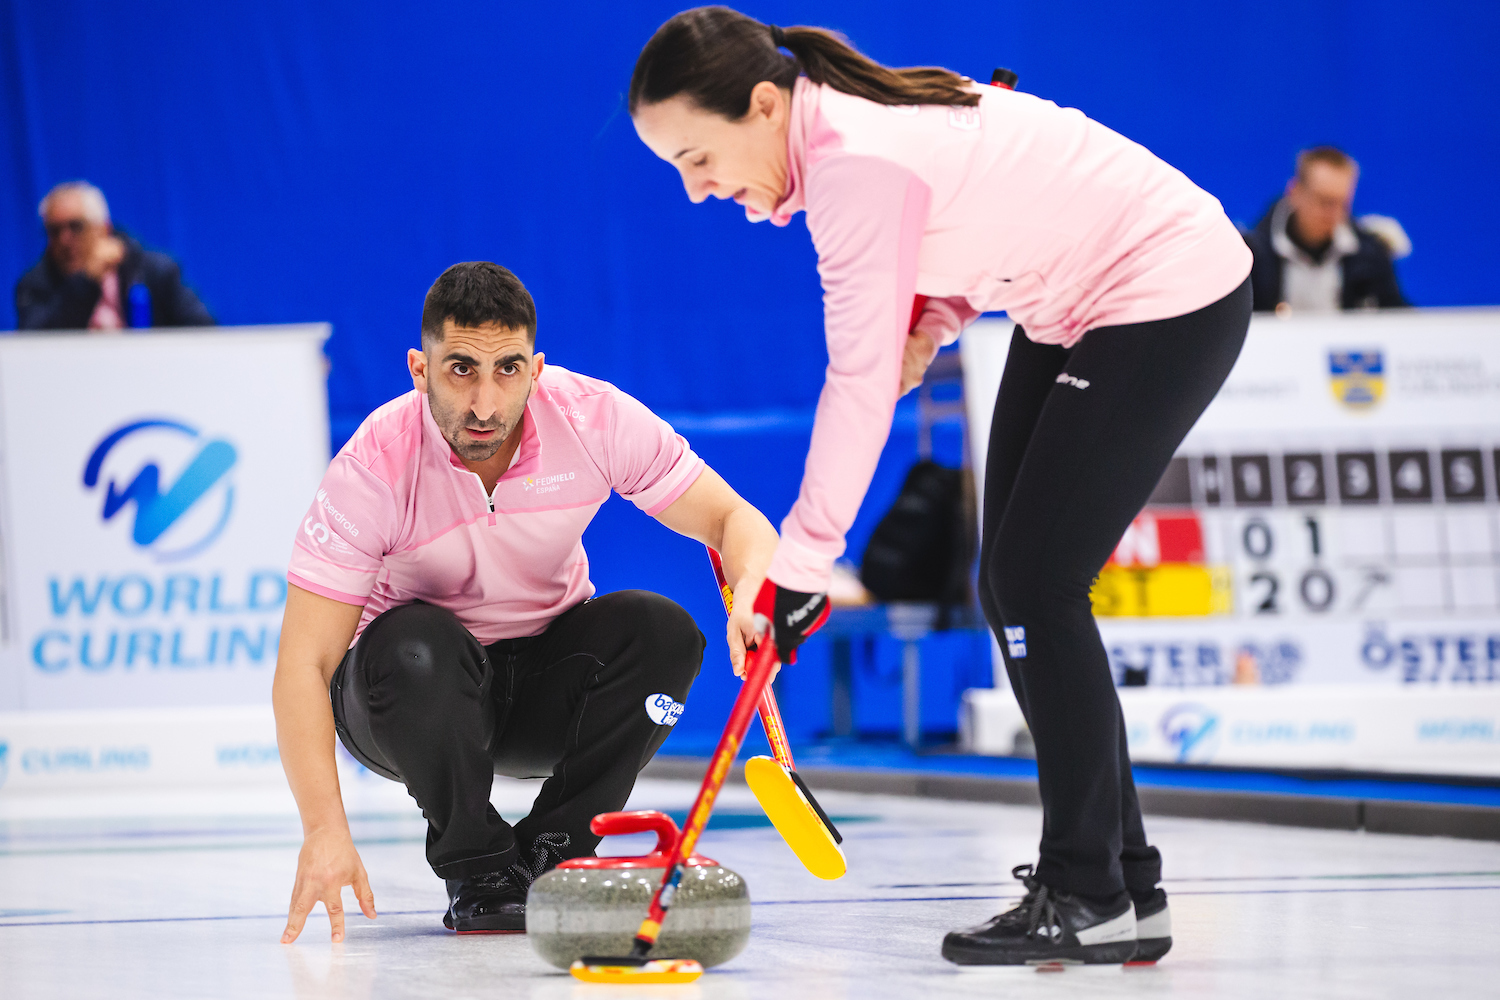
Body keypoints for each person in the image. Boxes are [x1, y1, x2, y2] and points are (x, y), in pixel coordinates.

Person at [630, 8, 1253, 966]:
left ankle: (1086, 888)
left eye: (697, 157)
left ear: (761, 106)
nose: (697, 189)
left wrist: (797, 567)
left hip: (1164, 290)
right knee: (1015, 586)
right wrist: (933, 319)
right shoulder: (840, 124)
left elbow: (857, 381)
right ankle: (1125, 886)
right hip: (1073, 305)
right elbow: (986, 219)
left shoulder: (850, 162)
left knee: (1038, 587)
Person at [273, 261, 777, 941]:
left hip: (543, 690)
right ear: (419, 369)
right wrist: (324, 830)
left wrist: (755, 591)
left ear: (536, 370)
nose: (484, 404)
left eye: (507, 369)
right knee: (415, 643)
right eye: (460, 371)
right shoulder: (375, 464)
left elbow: (733, 521)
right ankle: (478, 870)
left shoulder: (592, 418)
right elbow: (305, 663)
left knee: (666, 634)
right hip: (412, 703)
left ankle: (553, 857)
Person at [14, 181, 215, 331]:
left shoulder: (153, 271)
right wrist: (86, 281)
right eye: (54, 230)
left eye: (76, 227)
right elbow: (36, 345)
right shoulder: (35, 284)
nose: (65, 240)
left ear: (103, 229)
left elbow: (203, 331)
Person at [1243, 146, 1407, 313]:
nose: (1332, 213)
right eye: (1323, 201)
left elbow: (1400, 321)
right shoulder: (1253, 255)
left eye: (1341, 204)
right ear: (1295, 192)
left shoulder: (1369, 255)